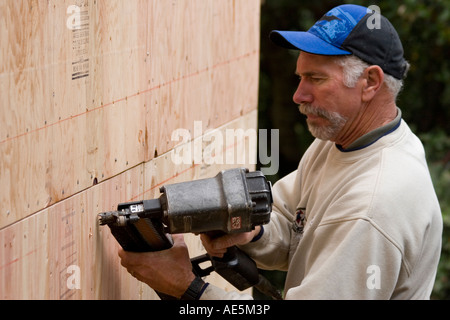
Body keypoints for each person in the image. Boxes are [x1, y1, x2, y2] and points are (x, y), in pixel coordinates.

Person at [118, 4, 443, 300]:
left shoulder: (374, 204)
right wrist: (249, 231)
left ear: (370, 82)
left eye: (315, 79)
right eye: (300, 77)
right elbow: (292, 228)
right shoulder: (342, 141)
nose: (298, 95)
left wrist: (186, 288)